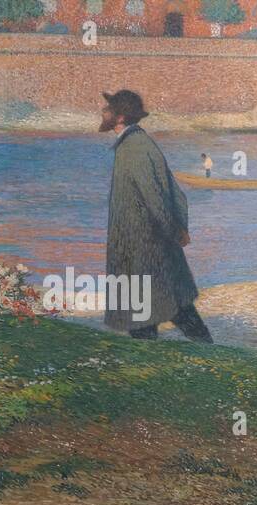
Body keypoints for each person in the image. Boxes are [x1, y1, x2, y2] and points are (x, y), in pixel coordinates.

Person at [100, 90, 212, 344]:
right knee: (164, 305)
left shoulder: (134, 147)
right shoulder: (135, 143)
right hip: (146, 243)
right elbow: (173, 194)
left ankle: (206, 350)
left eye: (107, 109)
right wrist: (177, 229)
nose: (102, 113)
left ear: (119, 116)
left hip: (144, 244)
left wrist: (174, 231)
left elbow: (156, 196)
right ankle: (205, 349)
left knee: (156, 307)